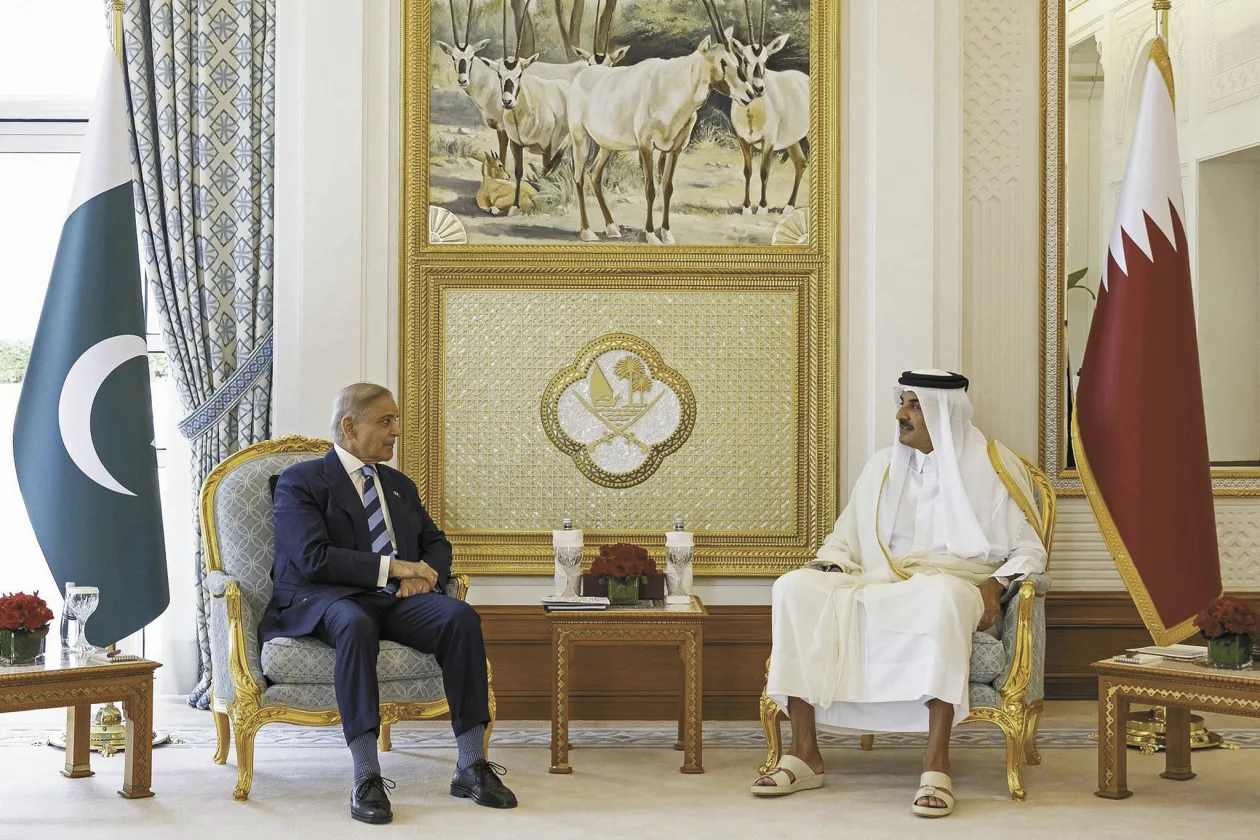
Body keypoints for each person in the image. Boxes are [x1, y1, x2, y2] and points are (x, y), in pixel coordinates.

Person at [752, 370, 1047, 817]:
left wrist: (995, 584)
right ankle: (805, 754)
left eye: (914, 405)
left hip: (957, 583)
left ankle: (936, 765)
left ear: (944, 413)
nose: (900, 415)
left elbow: (1029, 550)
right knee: (793, 587)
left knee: (940, 597)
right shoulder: (883, 466)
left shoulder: (992, 467)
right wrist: (829, 567)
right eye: (902, 403)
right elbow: (844, 538)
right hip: (879, 581)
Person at [259, 383, 517, 824]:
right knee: (354, 624)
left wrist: (423, 575)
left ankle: (471, 765)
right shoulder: (300, 481)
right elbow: (313, 558)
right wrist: (397, 568)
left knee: (459, 617)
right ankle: (366, 776)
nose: (396, 431)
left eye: (395, 421)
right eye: (385, 421)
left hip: (396, 599)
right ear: (349, 426)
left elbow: (437, 544)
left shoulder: (398, 485)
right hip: (328, 597)